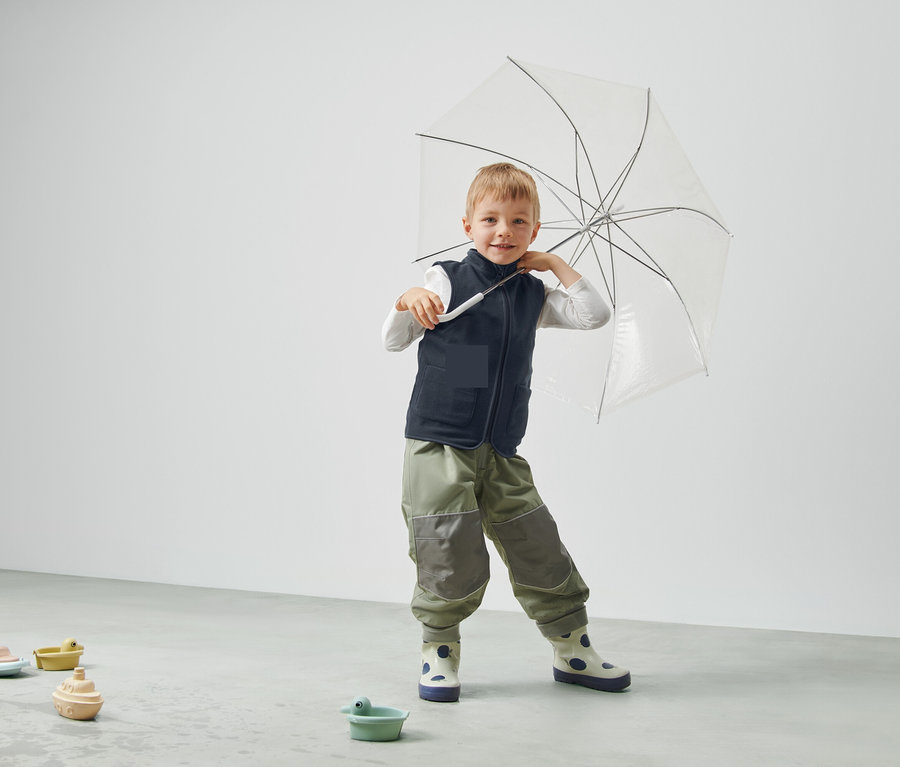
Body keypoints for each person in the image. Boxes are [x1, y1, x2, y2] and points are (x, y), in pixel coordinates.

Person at [382, 162, 630, 702]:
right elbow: (394, 339)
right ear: (468, 224)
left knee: (537, 542)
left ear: (534, 232)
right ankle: (439, 649)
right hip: (439, 442)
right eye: (491, 219)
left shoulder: (531, 294)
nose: (504, 231)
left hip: (501, 447)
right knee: (447, 548)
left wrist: (557, 266)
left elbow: (593, 315)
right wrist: (408, 301)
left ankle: (573, 647)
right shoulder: (447, 279)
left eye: (520, 222)